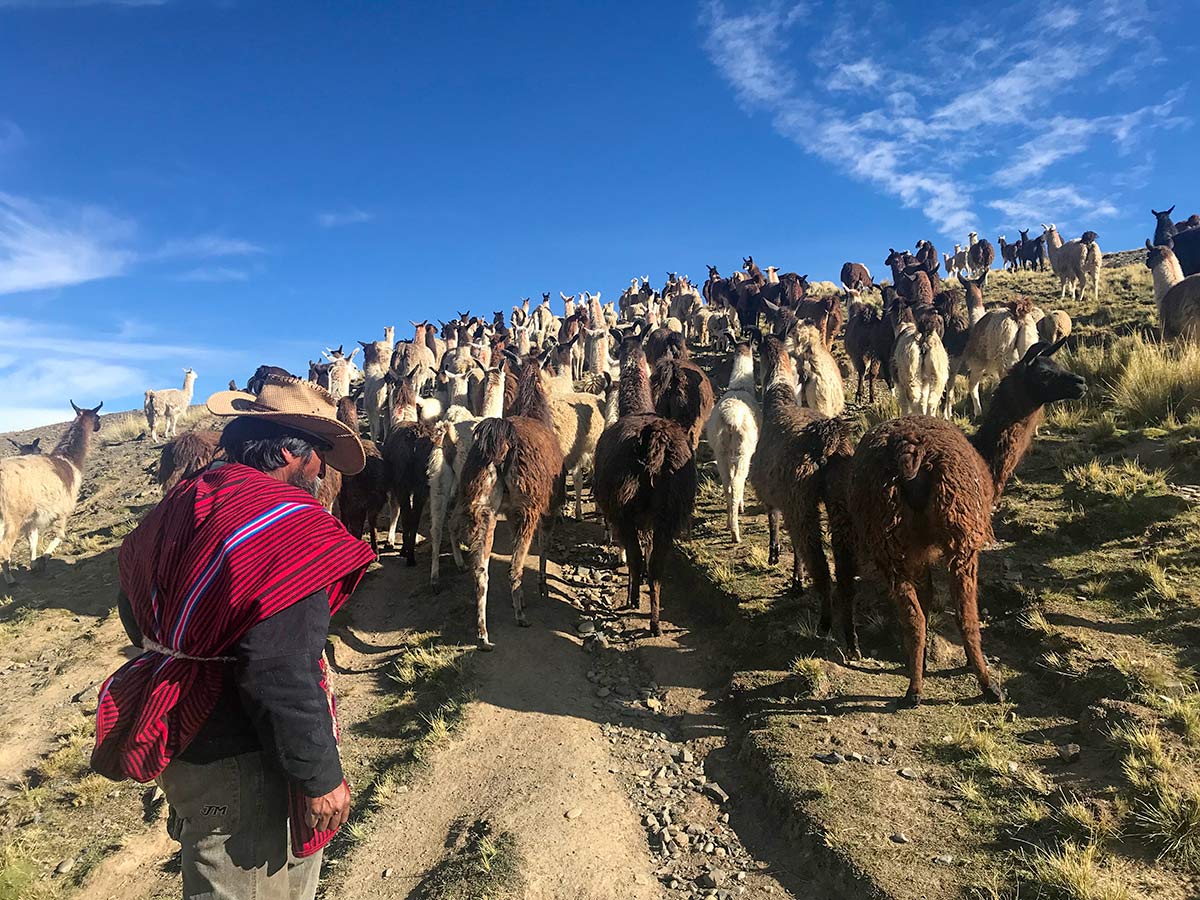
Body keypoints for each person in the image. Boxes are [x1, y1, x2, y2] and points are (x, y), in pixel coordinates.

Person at [92, 374, 376, 900]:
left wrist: (193, 647)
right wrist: (318, 775)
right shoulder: (290, 528)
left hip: (179, 734)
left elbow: (135, 616)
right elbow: (280, 667)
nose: (320, 471)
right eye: (318, 455)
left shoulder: (178, 506)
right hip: (242, 758)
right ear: (292, 454)